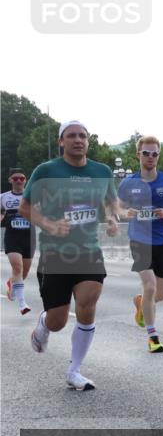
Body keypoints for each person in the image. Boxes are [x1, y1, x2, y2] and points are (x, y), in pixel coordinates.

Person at [18, 120, 119, 391]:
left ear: (88, 141)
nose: (78, 140)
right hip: (54, 254)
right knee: (58, 321)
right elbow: (25, 207)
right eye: (71, 136)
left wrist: (111, 219)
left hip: (89, 252)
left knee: (87, 307)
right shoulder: (46, 171)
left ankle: (75, 371)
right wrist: (50, 225)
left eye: (82, 136)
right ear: (62, 141)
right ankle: (43, 325)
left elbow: (111, 202)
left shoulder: (102, 171)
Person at [117, 135, 163, 353]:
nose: (150, 157)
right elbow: (118, 208)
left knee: (159, 295)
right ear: (138, 155)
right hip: (139, 240)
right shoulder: (129, 183)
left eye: (154, 153)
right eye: (146, 153)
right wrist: (124, 213)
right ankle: (153, 336)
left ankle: (141, 303)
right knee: (150, 286)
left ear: (159, 156)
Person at [2, 167, 35, 314]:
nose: (19, 181)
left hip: (29, 236)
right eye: (15, 178)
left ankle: (12, 283)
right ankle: (22, 304)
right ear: (10, 180)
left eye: (21, 178)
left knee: (24, 272)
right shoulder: (3, 197)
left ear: (25, 180)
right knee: (17, 268)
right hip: (12, 237)